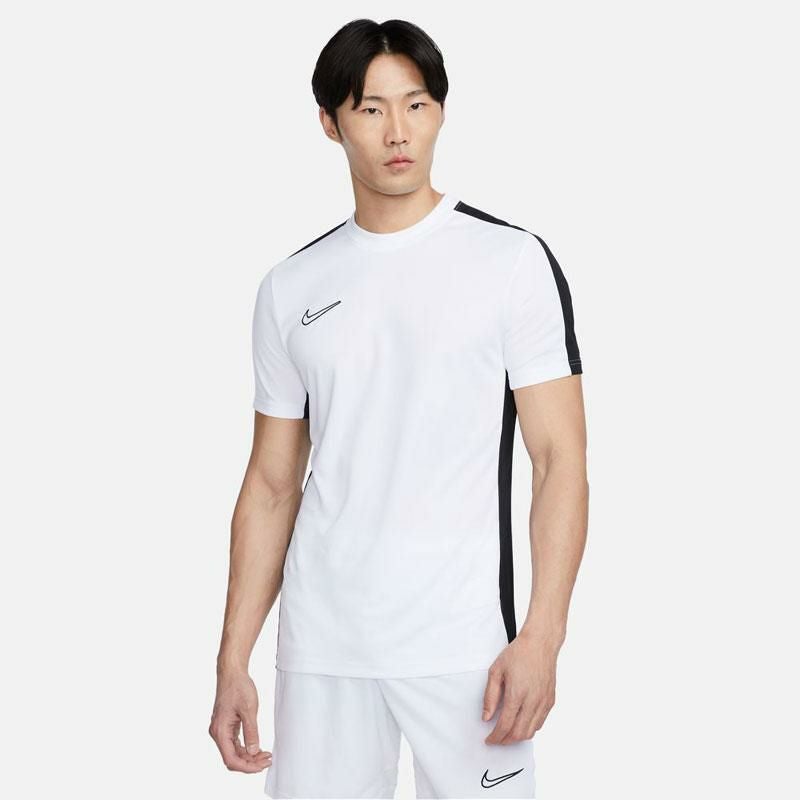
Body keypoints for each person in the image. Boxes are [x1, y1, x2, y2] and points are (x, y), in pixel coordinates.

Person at [209, 17, 589, 799]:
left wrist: (543, 635)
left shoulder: (511, 262)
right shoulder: (290, 288)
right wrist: (232, 658)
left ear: (440, 112)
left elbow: (559, 461)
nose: (397, 132)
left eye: (415, 105)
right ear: (330, 123)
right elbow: (272, 484)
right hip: (324, 646)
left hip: (468, 649)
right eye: (370, 109)